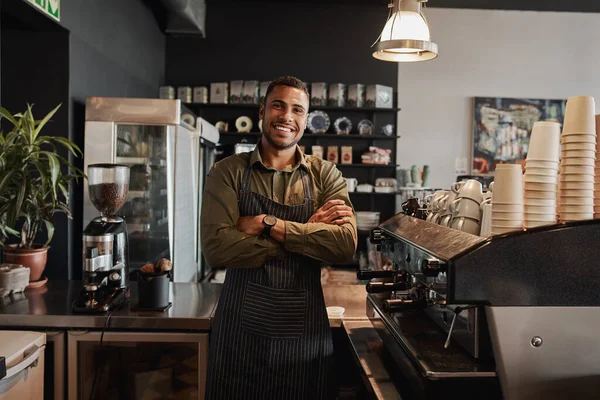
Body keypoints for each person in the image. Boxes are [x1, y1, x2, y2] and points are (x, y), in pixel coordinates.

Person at [201, 76, 358, 399]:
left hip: (304, 336)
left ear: (305, 120)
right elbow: (216, 249)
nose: (287, 116)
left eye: (297, 109)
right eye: (278, 105)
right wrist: (306, 233)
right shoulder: (227, 172)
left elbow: (344, 245)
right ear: (262, 112)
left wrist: (267, 224)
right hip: (239, 336)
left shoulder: (325, 175)